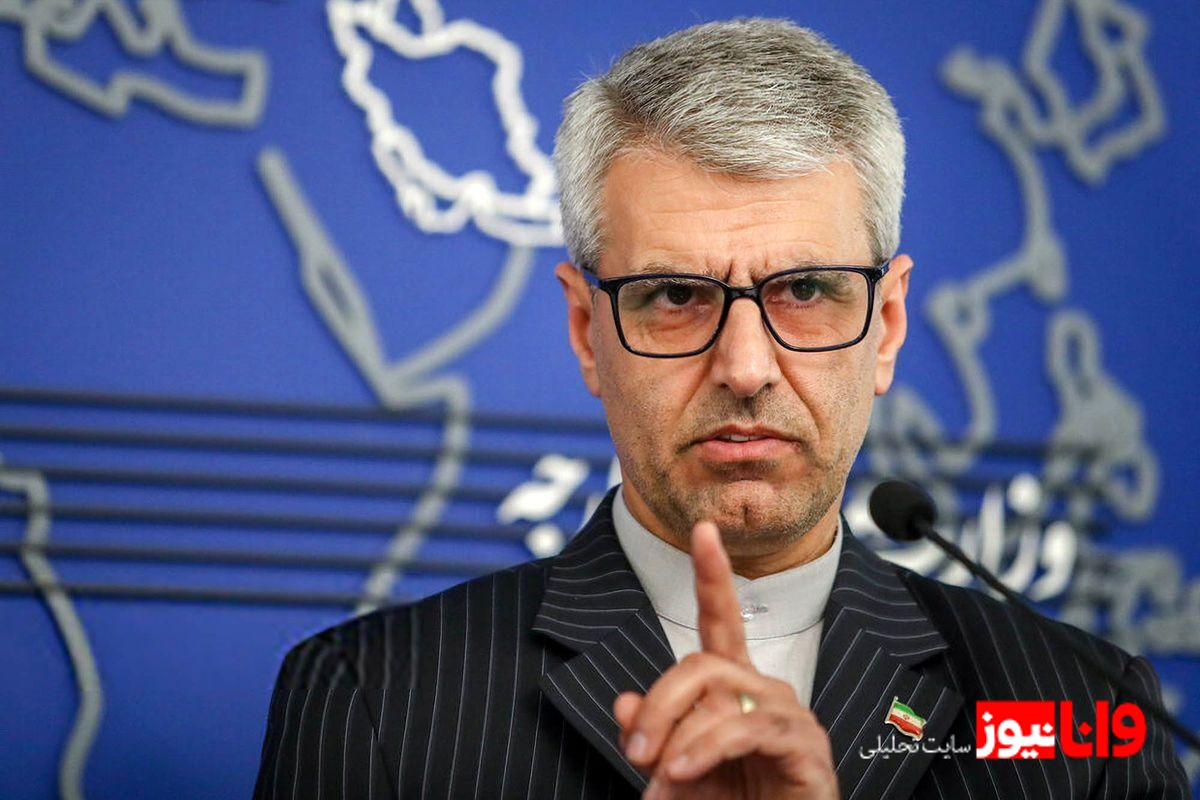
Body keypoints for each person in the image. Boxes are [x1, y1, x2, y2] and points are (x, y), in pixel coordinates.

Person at [253, 18, 1189, 799]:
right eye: (674, 296)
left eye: (806, 290)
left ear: (888, 326)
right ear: (585, 330)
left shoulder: (1083, 717)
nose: (745, 368)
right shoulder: (375, 701)